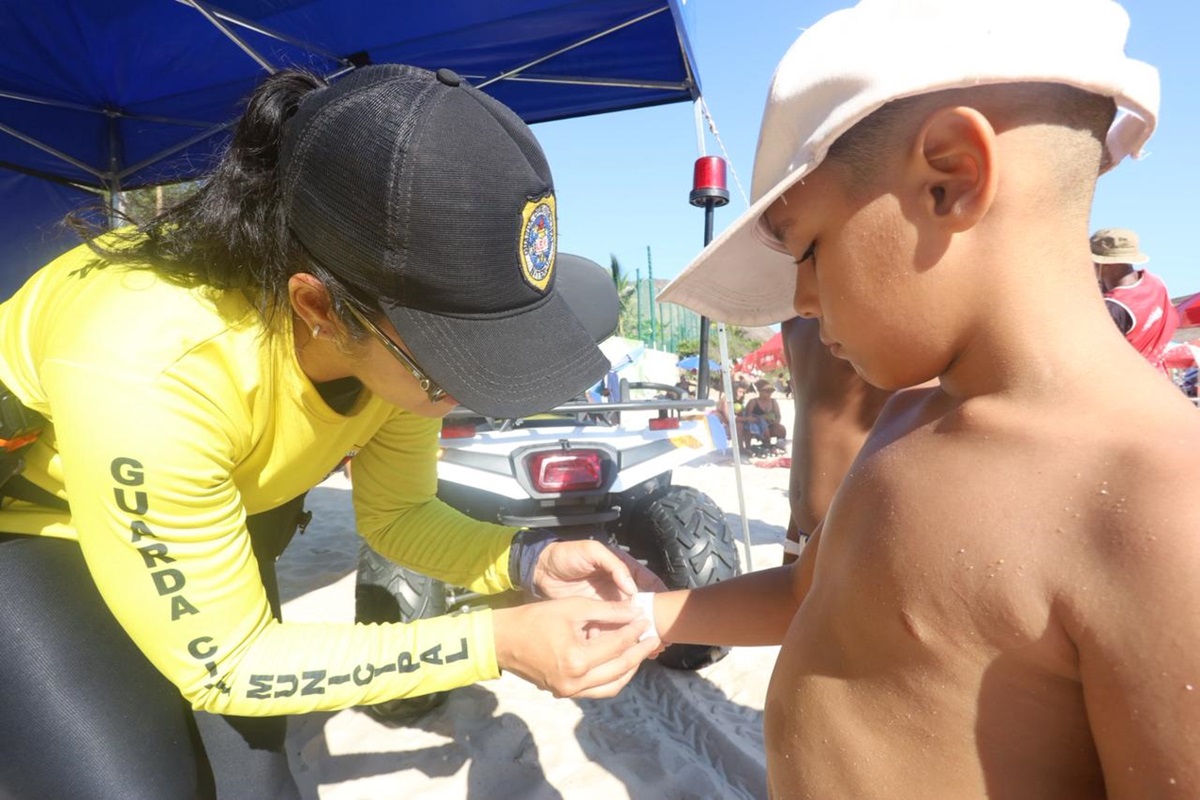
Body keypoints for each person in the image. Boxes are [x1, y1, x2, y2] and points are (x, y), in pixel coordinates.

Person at [0, 64, 664, 799]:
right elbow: (228, 663)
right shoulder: (152, 360)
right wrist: (493, 642)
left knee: (260, 789)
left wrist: (528, 559)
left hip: (201, 508)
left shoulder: (388, 352)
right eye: (449, 367)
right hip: (33, 526)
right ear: (318, 306)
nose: (465, 393)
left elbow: (399, 514)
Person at [654, 1, 1200, 796]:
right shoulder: (908, 419)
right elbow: (814, 599)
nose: (801, 301)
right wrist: (648, 617)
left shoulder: (1160, 511)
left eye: (807, 249)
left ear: (950, 178)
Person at [779, 316, 891, 564]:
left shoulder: (877, 314)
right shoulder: (792, 322)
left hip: (859, 532)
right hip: (805, 529)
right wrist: (793, 534)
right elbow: (807, 432)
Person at [1091, 227, 1180, 374]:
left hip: (1129, 385)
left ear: (1103, 263)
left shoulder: (1114, 307)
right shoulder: (1157, 284)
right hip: (1159, 378)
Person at [745, 379, 787, 443]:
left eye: (771, 391)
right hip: (756, 426)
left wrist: (775, 422)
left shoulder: (773, 402)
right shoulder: (753, 402)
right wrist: (761, 419)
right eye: (767, 391)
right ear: (760, 391)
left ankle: (779, 445)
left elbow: (778, 416)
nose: (769, 393)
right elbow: (748, 417)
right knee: (763, 429)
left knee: (781, 429)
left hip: (770, 425)